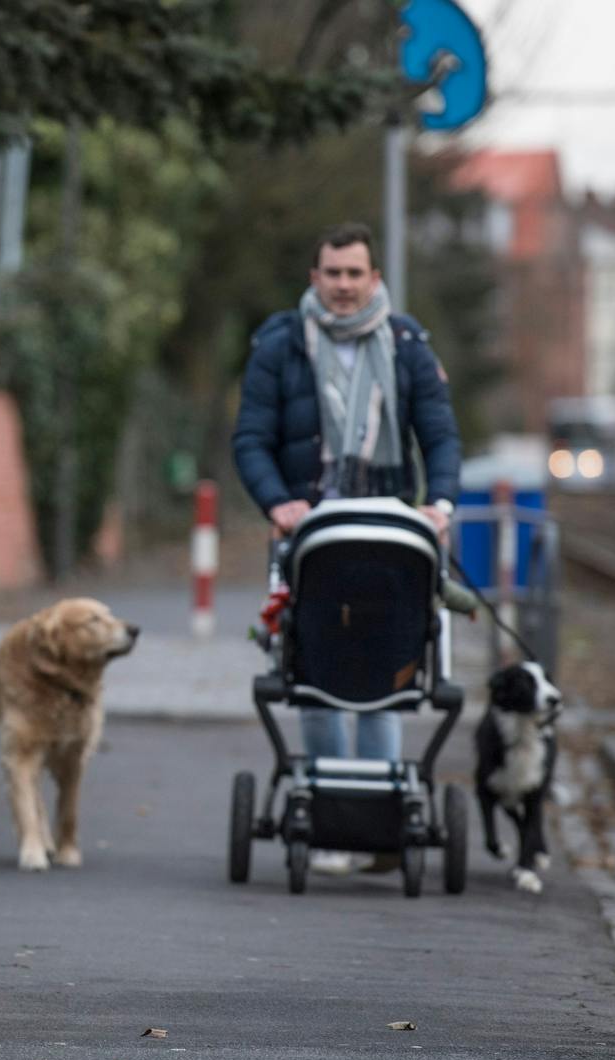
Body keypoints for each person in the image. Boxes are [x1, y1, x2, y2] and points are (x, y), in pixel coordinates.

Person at [231, 222, 461, 874]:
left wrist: (437, 507)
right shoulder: (279, 345)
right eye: (332, 274)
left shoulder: (408, 344)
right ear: (315, 278)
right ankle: (332, 817)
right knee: (316, 666)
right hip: (315, 532)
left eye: (354, 274)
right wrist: (278, 502)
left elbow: (441, 437)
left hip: (390, 532)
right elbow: (251, 437)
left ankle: (382, 818)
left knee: (388, 664)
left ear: (374, 279)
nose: (342, 286)